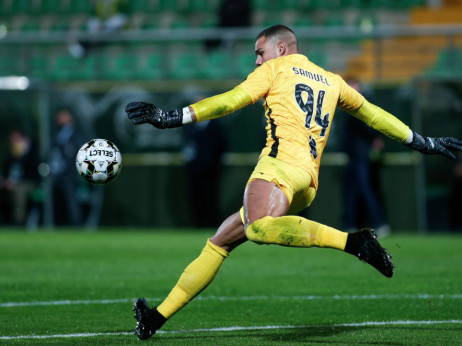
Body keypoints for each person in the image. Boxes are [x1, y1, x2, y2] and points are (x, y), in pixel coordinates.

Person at [125, 25, 462, 340]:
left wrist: (173, 117)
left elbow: (232, 100)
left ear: (281, 48)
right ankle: (156, 318)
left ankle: (354, 241)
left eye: (260, 52)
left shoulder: (275, 69)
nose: (257, 60)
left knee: (257, 228)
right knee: (220, 241)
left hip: (277, 170)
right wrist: (423, 142)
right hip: (306, 184)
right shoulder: (332, 80)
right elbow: (374, 114)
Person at [340, 77, 390, 236]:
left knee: (365, 189)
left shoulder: (363, 104)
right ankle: (350, 224)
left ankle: (379, 223)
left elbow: (375, 125)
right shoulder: (346, 106)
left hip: (362, 155)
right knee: (352, 191)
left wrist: (375, 139)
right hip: (353, 155)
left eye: (353, 86)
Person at [49, 109, 83, 226]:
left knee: (71, 199)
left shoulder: (75, 132)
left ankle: (76, 223)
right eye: (60, 115)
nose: (61, 118)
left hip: (70, 173)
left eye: (64, 115)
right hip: (56, 172)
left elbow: (75, 151)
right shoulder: (55, 132)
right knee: (55, 200)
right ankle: (56, 222)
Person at [0, 130, 40, 226]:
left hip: (27, 183)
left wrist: (15, 183)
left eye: (17, 139)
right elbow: (5, 171)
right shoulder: (10, 154)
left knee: (19, 191)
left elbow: (32, 173)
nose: (14, 142)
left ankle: (19, 222)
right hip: (10, 183)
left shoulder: (31, 154)